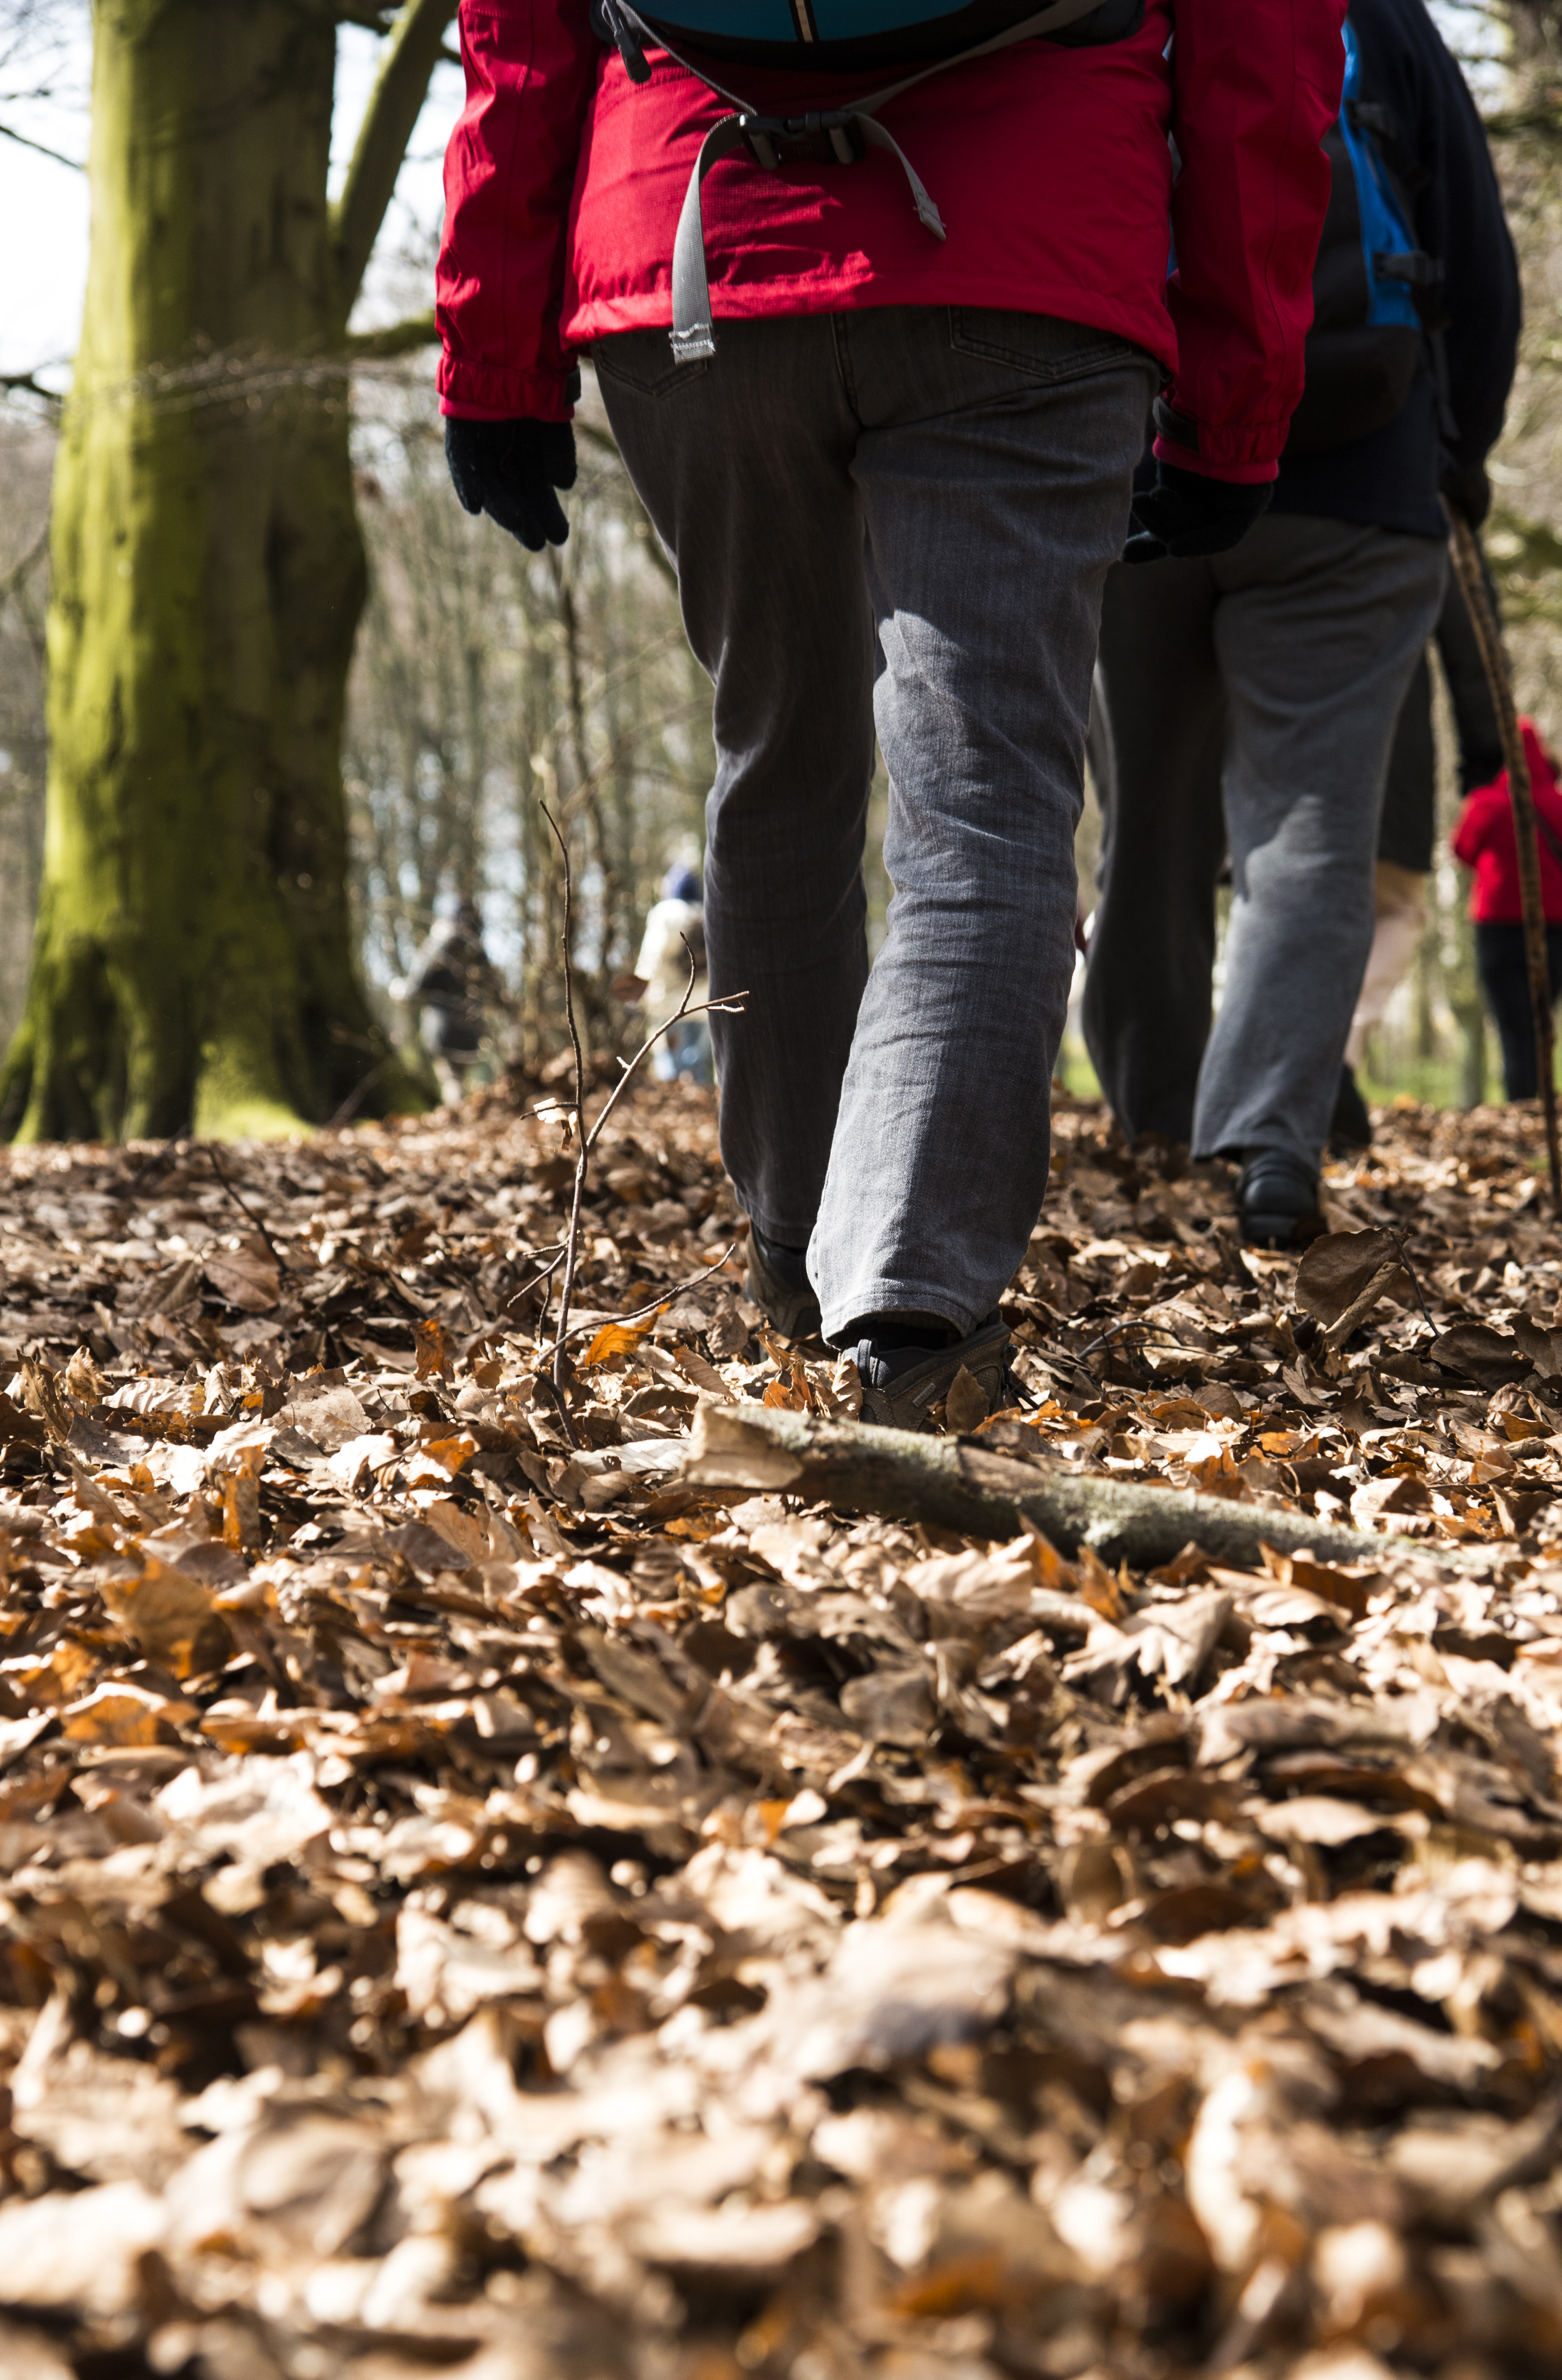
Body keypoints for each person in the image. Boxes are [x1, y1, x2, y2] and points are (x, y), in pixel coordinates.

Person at [434, 0, 1342, 1426]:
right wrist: (1236, 394)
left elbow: (519, 29)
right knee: (987, 790)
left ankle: (798, 1244)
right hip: (1031, 246)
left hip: (696, 240)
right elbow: (1262, 51)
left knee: (775, 754)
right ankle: (905, 1299)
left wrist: (493, 339)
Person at [1080, 0, 1519, 1246]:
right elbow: (1477, 263)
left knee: (1146, 825)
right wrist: (1453, 456)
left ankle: (1153, 1123)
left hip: (1136, 469)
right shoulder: (1378, 15)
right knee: (1312, 828)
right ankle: (1267, 1141)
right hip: (1358, 478)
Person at [1333, 558, 1503, 1142]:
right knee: (1396, 909)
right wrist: (1485, 752)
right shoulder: (1424, 509)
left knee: (1288, 896)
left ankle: (1275, 1065)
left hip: (1271, 731)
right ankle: (1336, 1052)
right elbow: (1472, 637)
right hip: (1390, 743)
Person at [1453, 718, 1562, 1102]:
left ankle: (1522, 1104)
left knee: (1512, 1026)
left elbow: (1462, 851)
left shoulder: (1485, 805)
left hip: (1497, 926)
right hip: (1556, 928)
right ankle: (1536, 1103)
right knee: (1540, 1022)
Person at [397, 896, 499, 1106]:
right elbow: (493, 988)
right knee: (462, 1079)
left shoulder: (440, 943)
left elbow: (417, 984)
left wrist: (406, 991)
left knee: (452, 1080)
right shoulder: (477, 949)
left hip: (443, 1024)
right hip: (471, 1026)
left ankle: (459, 1117)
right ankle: (465, 1115)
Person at [627, 857, 714, 1087]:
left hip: (669, 1007)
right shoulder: (706, 913)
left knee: (671, 1073)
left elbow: (652, 958)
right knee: (698, 1069)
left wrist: (637, 994)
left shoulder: (666, 914)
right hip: (704, 1005)